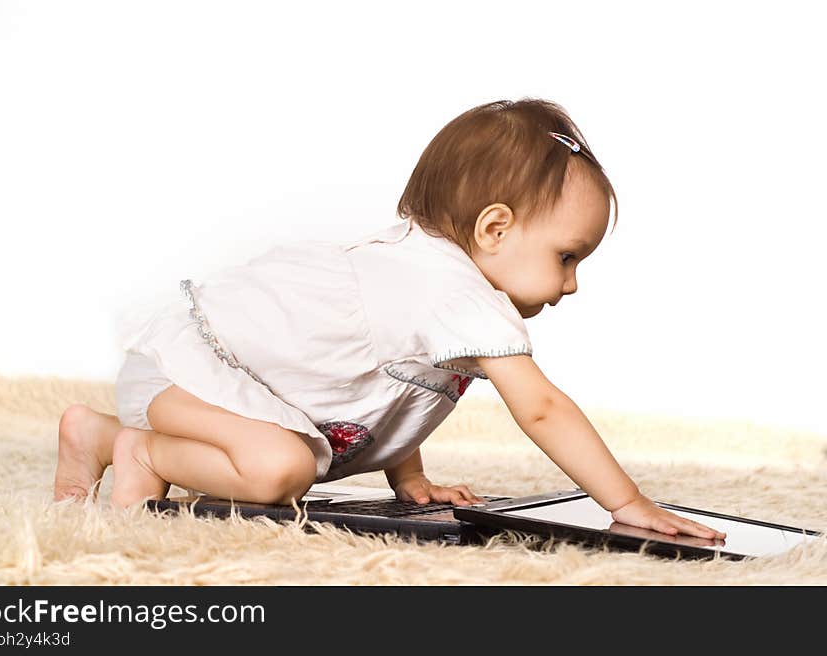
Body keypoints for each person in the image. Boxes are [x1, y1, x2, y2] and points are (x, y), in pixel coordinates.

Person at [54, 97, 726, 540]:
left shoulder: (434, 278)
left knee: (288, 461)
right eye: (567, 256)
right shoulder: (459, 295)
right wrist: (625, 503)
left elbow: (388, 388)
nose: (572, 285)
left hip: (189, 377)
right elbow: (544, 409)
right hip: (192, 373)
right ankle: (138, 447)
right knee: (280, 472)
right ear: (495, 228)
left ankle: (97, 432)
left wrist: (409, 480)